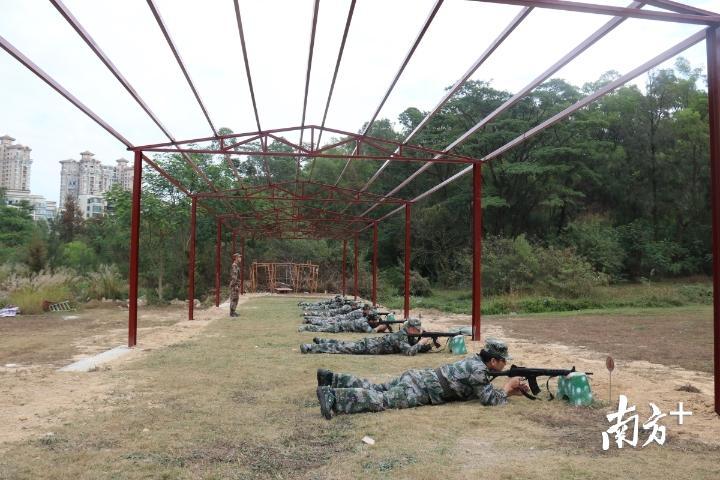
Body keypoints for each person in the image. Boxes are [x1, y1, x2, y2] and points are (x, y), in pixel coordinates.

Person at [314, 338, 528, 419]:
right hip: (421, 389)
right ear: (493, 361)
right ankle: (333, 396)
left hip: (418, 377)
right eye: (503, 361)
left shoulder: (474, 361)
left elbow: (476, 389)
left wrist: (509, 391)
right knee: (383, 400)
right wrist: (507, 388)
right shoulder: (479, 371)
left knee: (378, 388)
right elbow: (490, 400)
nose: (505, 365)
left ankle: (332, 378)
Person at [299, 318, 434, 355]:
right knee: (340, 348)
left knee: (343, 345)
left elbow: (415, 347)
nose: (418, 331)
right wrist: (421, 342)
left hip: (371, 344)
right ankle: (310, 348)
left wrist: (430, 343)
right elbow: (409, 352)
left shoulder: (407, 335)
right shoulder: (401, 336)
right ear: (410, 328)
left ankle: (322, 341)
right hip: (369, 347)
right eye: (417, 329)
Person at [229, 253, 242, 317]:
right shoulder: (234, 266)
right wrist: (236, 285)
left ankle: (233, 311)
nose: (240, 258)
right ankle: (232, 313)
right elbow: (234, 277)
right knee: (234, 298)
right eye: (239, 257)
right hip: (234, 285)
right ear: (236, 258)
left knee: (236, 298)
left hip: (236, 284)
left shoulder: (236, 265)